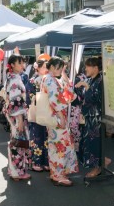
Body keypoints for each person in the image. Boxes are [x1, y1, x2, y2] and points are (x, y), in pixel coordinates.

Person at [41, 56, 78, 186]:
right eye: (59, 67)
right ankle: (58, 175)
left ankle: (57, 172)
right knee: (58, 146)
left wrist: (64, 76)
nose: (60, 70)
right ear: (52, 66)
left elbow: (68, 95)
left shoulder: (51, 79)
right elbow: (55, 101)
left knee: (57, 145)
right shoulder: (50, 80)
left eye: (61, 68)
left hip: (55, 117)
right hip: (56, 117)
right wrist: (61, 117)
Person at [76, 57, 111, 178]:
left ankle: (97, 168)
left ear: (95, 68)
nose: (85, 69)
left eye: (87, 66)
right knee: (89, 142)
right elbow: (85, 97)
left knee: (94, 143)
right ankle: (102, 160)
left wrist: (86, 86)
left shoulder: (100, 80)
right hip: (89, 116)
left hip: (96, 117)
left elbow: (95, 98)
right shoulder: (91, 79)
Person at [3, 54, 30, 181]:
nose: (22, 65)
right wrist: (19, 119)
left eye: (22, 63)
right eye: (20, 63)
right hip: (17, 114)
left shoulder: (13, 77)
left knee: (16, 142)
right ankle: (16, 172)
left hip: (15, 113)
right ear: (12, 65)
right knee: (17, 144)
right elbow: (16, 100)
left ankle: (15, 171)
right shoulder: (14, 78)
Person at [26, 59, 49, 172]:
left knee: (47, 136)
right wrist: (36, 98)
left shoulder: (50, 79)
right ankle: (36, 161)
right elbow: (28, 96)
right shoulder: (32, 80)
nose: (46, 69)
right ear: (38, 68)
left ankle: (46, 161)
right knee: (37, 136)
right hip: (38, 110)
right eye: (44, 66)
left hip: (48, 111)